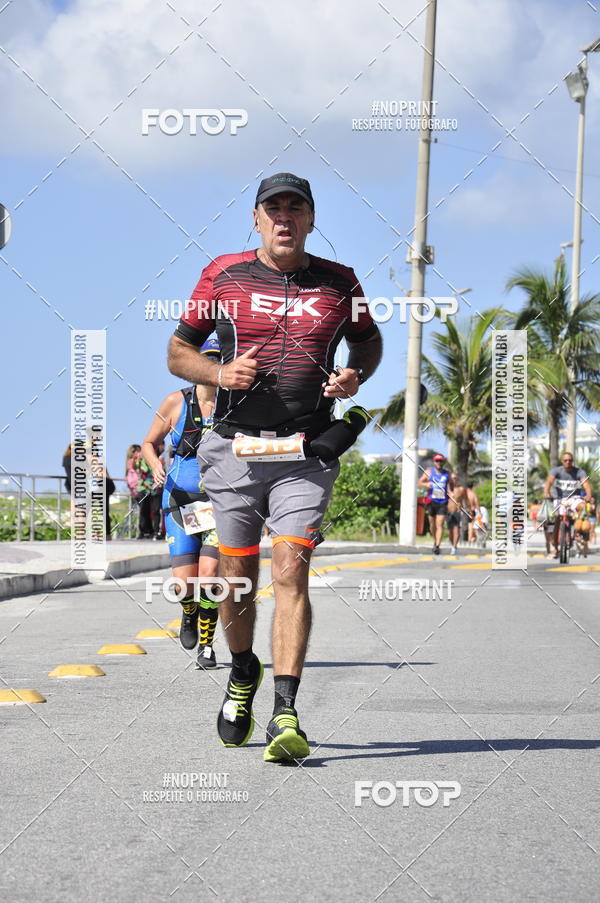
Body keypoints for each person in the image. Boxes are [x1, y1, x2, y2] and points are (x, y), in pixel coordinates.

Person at [167, 172, 382, 762]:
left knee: (290, 569)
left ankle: (286, 708)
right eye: (274, 209)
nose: (284, 218)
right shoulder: (223, 274)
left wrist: (355, 375)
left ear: (312, 220)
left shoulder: (340, 284)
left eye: (296, 209)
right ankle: (243, 671)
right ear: (256, 219)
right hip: (234, 448)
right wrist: (218, 374)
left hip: (304, 453)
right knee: (235, 579)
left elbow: (368, 341)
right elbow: (178, 352)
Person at [142, 338, 222, 669]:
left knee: (211, 574)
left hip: (221, 503)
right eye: (206, 361)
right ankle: (188, 612)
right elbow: (149, 442)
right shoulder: (176, 402)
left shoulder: (237, 405)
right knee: (185, 582)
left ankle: (207, 645)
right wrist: (155, 464)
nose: (211, 367)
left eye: (217, 360)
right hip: (179, 501)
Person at [543, 452, 592, 559]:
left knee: (582, 508)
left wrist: (588, 494)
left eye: (570, 460)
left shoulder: (579, 472)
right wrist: (546, 492)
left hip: (575, 499)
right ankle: (555, 549)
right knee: (556, 520)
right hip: (559, 499)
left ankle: (580, 534)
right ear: (562, 461)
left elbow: (586, 484)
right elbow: (548, 482)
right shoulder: (556, 471)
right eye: (565, 460)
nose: (568, 462)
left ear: (572, 461)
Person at [418, 454, 454, 555]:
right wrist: (426, 484)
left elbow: (449, 486)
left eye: (440, 461)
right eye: (437, 461)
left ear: (443, 462)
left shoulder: (447, 474)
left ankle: (437, 545)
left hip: (442, 502)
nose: (439, 463)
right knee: (432, 525)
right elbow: (419, 482)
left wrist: (451, 494)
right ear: (434, 462)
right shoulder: (429, 472)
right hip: (431, 501)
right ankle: (435, 540)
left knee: (440, 524)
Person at [125, 444, 155, 538]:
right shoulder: (132, 463)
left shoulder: (141, 461)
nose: (138, 454)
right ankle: (144, 531)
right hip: (139, 488)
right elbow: (134, 474)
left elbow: (146, 470)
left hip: (144, 488)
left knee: (146, 510)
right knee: (143, 511)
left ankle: (149, 530)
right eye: (136, 452)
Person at [446, 477, 466, 555]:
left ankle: (454, 547)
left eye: (454, 478)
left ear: (457, 480)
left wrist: (465, 507)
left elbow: (465, 499)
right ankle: (453, 545)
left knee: (456, 530)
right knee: (450, 532)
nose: (453, 480)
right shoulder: (446, 489)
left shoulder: (461, 489)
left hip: (457, 512)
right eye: (451, 478)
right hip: (448, 512)